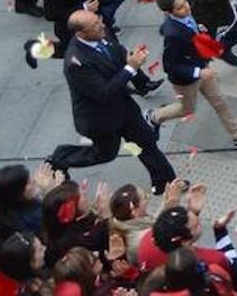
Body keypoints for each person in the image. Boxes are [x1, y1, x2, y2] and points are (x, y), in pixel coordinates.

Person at [48, 10, 176, 194]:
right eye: (95, 25)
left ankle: (167, 183)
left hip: (124, 109)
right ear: (80, 33)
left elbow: (119, 54)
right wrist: (131, 67)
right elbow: (103, 93)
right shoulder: (76, 63)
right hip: (100, 118)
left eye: (98, 20)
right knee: (105, 154)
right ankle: (61, 157)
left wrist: (138, 74)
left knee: (146, 143)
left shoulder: (100, 34)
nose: (102, 25)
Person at [151, 0, 237, 149]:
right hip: (186, 80)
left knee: (220, 102)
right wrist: (199, 72)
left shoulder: (185, 17)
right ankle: (155, 116)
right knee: (187, 110)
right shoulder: (173, 34)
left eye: (185, 2)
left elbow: (191, 31)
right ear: (169, 12)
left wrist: (199, 30)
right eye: (180, 7)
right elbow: (170, 66)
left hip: (202, 67)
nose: (187, 7)